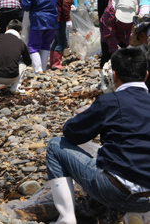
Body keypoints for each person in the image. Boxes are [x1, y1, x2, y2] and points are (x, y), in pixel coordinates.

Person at [46, 48, 150, 224]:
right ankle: (141, 215)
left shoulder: (110, 102)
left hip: (113, 191)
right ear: (146, 75)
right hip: (147, 199)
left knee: (55, 145)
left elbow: (72, 133)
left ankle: (66, 218)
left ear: (114, 76)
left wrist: (90, 115)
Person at [20, 0, 59, 73]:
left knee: (33, 46)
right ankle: (44, 68)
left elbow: (26, 5)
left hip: (38, 19)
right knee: (46, 44)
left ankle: (38, 70)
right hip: (52, 19)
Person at [50, 0, 88, 69]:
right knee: (63, 42)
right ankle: (56, 63)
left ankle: (52, 62)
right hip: (59, 17)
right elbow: (66, 7)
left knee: (56, 40)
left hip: (54, 16)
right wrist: (68, 20)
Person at [99, 0, 138, 77]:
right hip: (108, 32)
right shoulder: (109, 14)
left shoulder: (137, 13)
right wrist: (115, 52)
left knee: (128, 54)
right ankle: (105, 77)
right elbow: (109, 35)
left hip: (125, 33)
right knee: (107, 54)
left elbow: (133, 31)